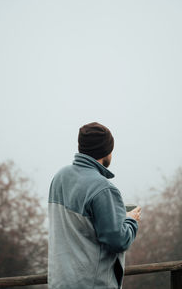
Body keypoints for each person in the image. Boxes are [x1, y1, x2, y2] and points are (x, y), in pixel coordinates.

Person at [48, 122, 141, 289]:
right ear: (106, 151)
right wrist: (130, 220)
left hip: (59, 283)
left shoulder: (60, 177)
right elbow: (118, 241)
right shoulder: (103, 189)